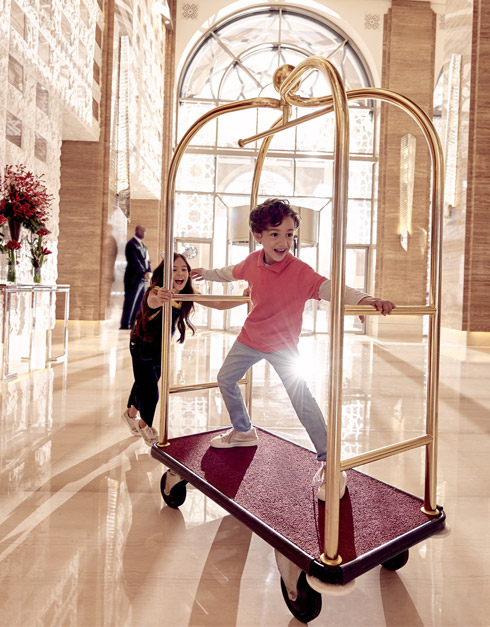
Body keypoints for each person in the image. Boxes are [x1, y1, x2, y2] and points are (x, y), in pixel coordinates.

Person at [191, 198, 396, 501]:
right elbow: (228, 272)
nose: (284, 241)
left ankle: (331, 461)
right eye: (275, 234)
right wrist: (204, 273)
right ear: (258, 236)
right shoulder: (251, 261)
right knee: (225, 378)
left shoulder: (300, 271)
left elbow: (333, 288)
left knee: (303, 401)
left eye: (289, 234)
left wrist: (365, 300)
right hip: (250, 338)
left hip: (284, 346)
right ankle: (243, 431)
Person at [122, 253, 246, 445]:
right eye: (174, 269)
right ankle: (144, 426)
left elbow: (219, 304)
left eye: (184, 269)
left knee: (144, 381)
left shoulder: (186, 293)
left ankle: (130, 415)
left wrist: (244, 298)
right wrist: (160, 297)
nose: (180, 273)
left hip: (160, 348)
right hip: (141, 345)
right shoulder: (157, 291)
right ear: (164, 273)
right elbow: (152, 301)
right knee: (150, 389)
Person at [120, 224, 151, 330]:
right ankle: (125, 324)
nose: (144, 233)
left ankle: (133, 324)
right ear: (137, 231)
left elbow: (147, 261)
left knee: (139, 302)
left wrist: (149, 272)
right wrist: (144, 272)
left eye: (145, 231)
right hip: (133, 278)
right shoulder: (131, 244)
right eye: (143, 231)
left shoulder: (144, 246)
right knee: (130, 301)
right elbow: (134, 261)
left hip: (142, 279)